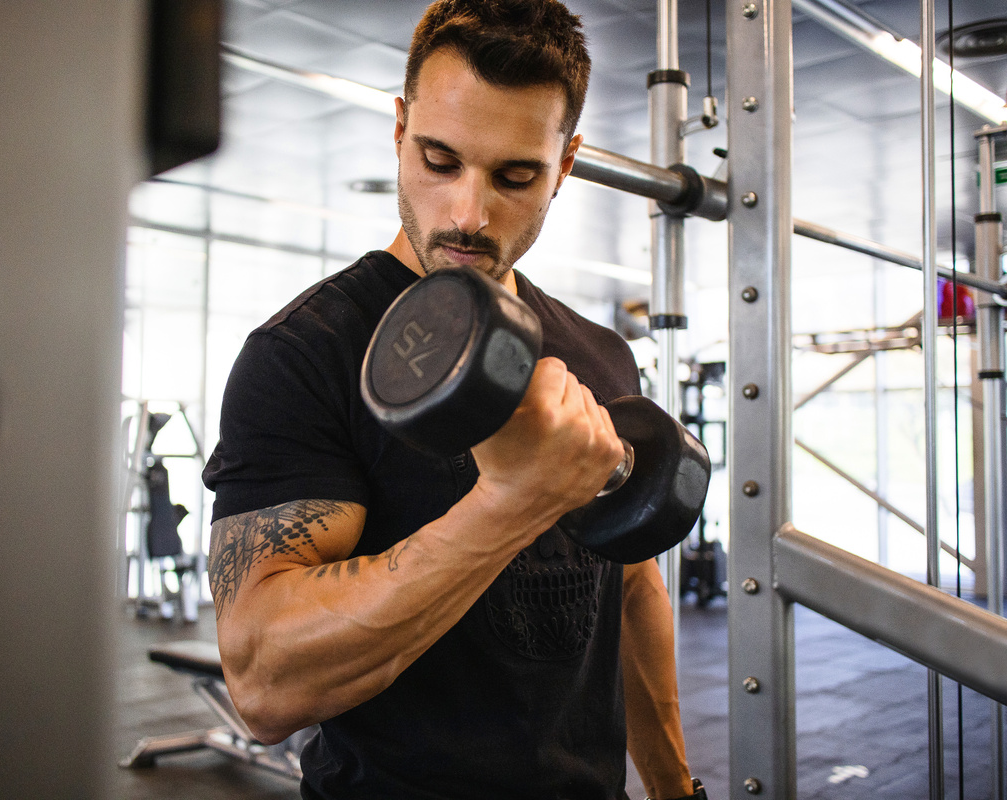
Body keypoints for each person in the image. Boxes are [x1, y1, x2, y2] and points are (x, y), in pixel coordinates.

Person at [202, 1, 700, 797]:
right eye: (440, 160)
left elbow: (634, 588)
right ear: (399, 131)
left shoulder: (602, 356)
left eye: (515, 176)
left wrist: (677, 789)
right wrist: (514, 500)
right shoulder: (305, 354)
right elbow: (264, 683)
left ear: (564, 166)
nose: (470, 213)